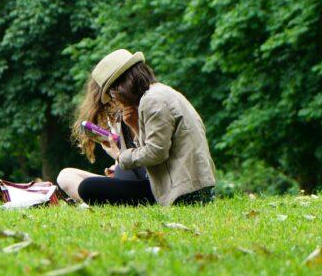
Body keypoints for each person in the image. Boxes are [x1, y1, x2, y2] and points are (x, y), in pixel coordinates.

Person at [58, 50, 216, 206]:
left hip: (184, 193)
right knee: (75, 179)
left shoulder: (153, 100)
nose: (115, 99)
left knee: (88, 188)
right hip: (185, 187)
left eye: (112, 93)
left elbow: (156, 153)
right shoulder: (158, 93)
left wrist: (120, 156)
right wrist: (134, 125)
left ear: (123, 84)